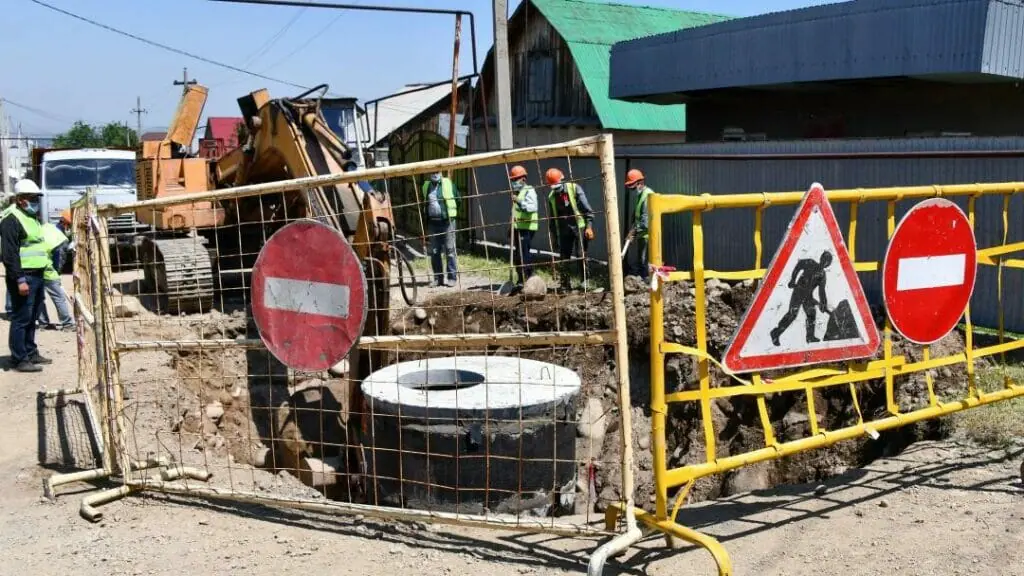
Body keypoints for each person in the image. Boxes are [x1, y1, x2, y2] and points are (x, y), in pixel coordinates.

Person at [1, 179, 52, 372]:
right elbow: (9, 254)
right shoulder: (11, 219)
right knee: (21, 318)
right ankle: (19, 358)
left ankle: (31, 352)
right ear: (21, 200)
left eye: (37, 198)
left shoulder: (31, 217)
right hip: (23, 276)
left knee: (33, 317)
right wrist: (20, 279)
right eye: (32, 198)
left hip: (37, 275)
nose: (35, 202)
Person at [545, 168, 595, 291]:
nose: (556, 190)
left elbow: (587, 210)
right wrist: (554, 238)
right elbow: (552, 219)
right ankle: (565, 284)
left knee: (580, 255)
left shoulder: (574, 188)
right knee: (564, 258)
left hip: (579, 226)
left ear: (562, 180)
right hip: (563, 229)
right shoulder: (552, 196)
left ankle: (585, 282)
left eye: (557, 186)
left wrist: (589, 227)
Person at [770, 250, 833, 346]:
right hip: (798, 291)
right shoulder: (810, 263)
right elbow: (799, 265)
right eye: (824, 259)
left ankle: (810, 337)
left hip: (808, 296)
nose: (825, 263)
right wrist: (793, 279)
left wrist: (823, 303)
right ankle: (776, 332)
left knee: (811, 314)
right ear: (821, 258)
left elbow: (822, 291)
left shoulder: (822, 275)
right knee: (792, 314)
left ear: (828, 264)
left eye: (827, 262)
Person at [37, 213, 75, 331]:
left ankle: (43, 323)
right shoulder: (61, 238)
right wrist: (57, 274)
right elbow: (59, 259)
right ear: (67, 224)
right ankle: (67, 324)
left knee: (38, 297)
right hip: (47, 269)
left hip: (33, 266)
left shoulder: (44, 228)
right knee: (58, 297)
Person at [421, 171, 459, 287]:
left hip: (447, 222)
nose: (434, 174)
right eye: (432, 172)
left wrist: (450, 215)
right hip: (433, 223)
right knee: (434, 251)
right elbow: (425, 202)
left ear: (441, 173)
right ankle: (438, 278)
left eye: (437, 172)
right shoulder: (426, 186)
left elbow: (458, 198)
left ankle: (452, 277)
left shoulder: (448, 183)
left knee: (449, 250)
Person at [508, 165, 537, 287]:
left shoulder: (529, 191)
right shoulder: (518, 192)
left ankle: (529, 278)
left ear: (523, 179)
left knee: (524, 254)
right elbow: (515, 211)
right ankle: (520, 279)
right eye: (512, 180)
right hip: (517, 227)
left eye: (516, 179)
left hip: (526, 227)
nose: (514, 182)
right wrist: (511, 226)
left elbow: (532, 207)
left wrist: (519, 201)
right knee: (518, 255)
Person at [624, 169, 653, 280]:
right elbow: (637, 215)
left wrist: (633, 231)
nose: (630, 188)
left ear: (640, 182)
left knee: (643, 260)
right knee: (641, 259)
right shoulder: (640, 195)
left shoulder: (647, 195)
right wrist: (633, 231)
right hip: (642, 233)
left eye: (632, 185)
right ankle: (643, 280)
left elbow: (645, 221)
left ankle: (645, 282)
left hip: (647, 234)